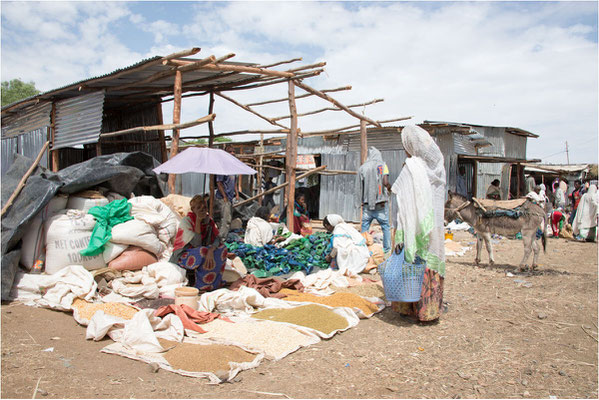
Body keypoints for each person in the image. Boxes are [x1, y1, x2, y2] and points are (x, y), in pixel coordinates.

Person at [390, 125, 446, 322]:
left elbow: (401, 197)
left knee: (413, 261)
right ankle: (429, 309)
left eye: (405, 144)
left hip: (415, 227)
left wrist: (399, 230)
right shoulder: (438, 165)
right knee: (431, 260)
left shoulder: (412, 167)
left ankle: (410, 307)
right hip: (434, 225)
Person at [171, 195, 227, 292]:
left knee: (223, 249)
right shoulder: (187, 221)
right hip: (183, 255)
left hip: (204, 250)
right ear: (193, 209)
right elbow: (196, 244)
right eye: (198, 208)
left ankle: (214, 283)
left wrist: (211, 249)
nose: (202, 210)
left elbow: (217, 239)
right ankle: (200, 285)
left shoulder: (209, 221)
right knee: (202, 251)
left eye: (204, 207)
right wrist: (198, 221)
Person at [357, 147, 392, 254]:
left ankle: (362, 249)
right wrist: (390, 188)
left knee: (365, 228)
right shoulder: (382, 166)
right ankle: (386, 251)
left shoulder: (362, 168)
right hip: (380, 204)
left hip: (367, 204)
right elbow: (385, 182)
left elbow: (359, 188)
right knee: (385, 227)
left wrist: (360, 202)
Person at [214, 145, 240, 241]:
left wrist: (236, 194)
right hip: (223, 197)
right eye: (230, 151)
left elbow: (235, 183)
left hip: (229, 197)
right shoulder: (222, 167)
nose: (232, 153)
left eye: (233, 151)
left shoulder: (233, 167)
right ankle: (221, 240)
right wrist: (224, 196)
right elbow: (219, 183)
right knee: (226, 219)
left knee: (228, 218)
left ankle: (224, 237)